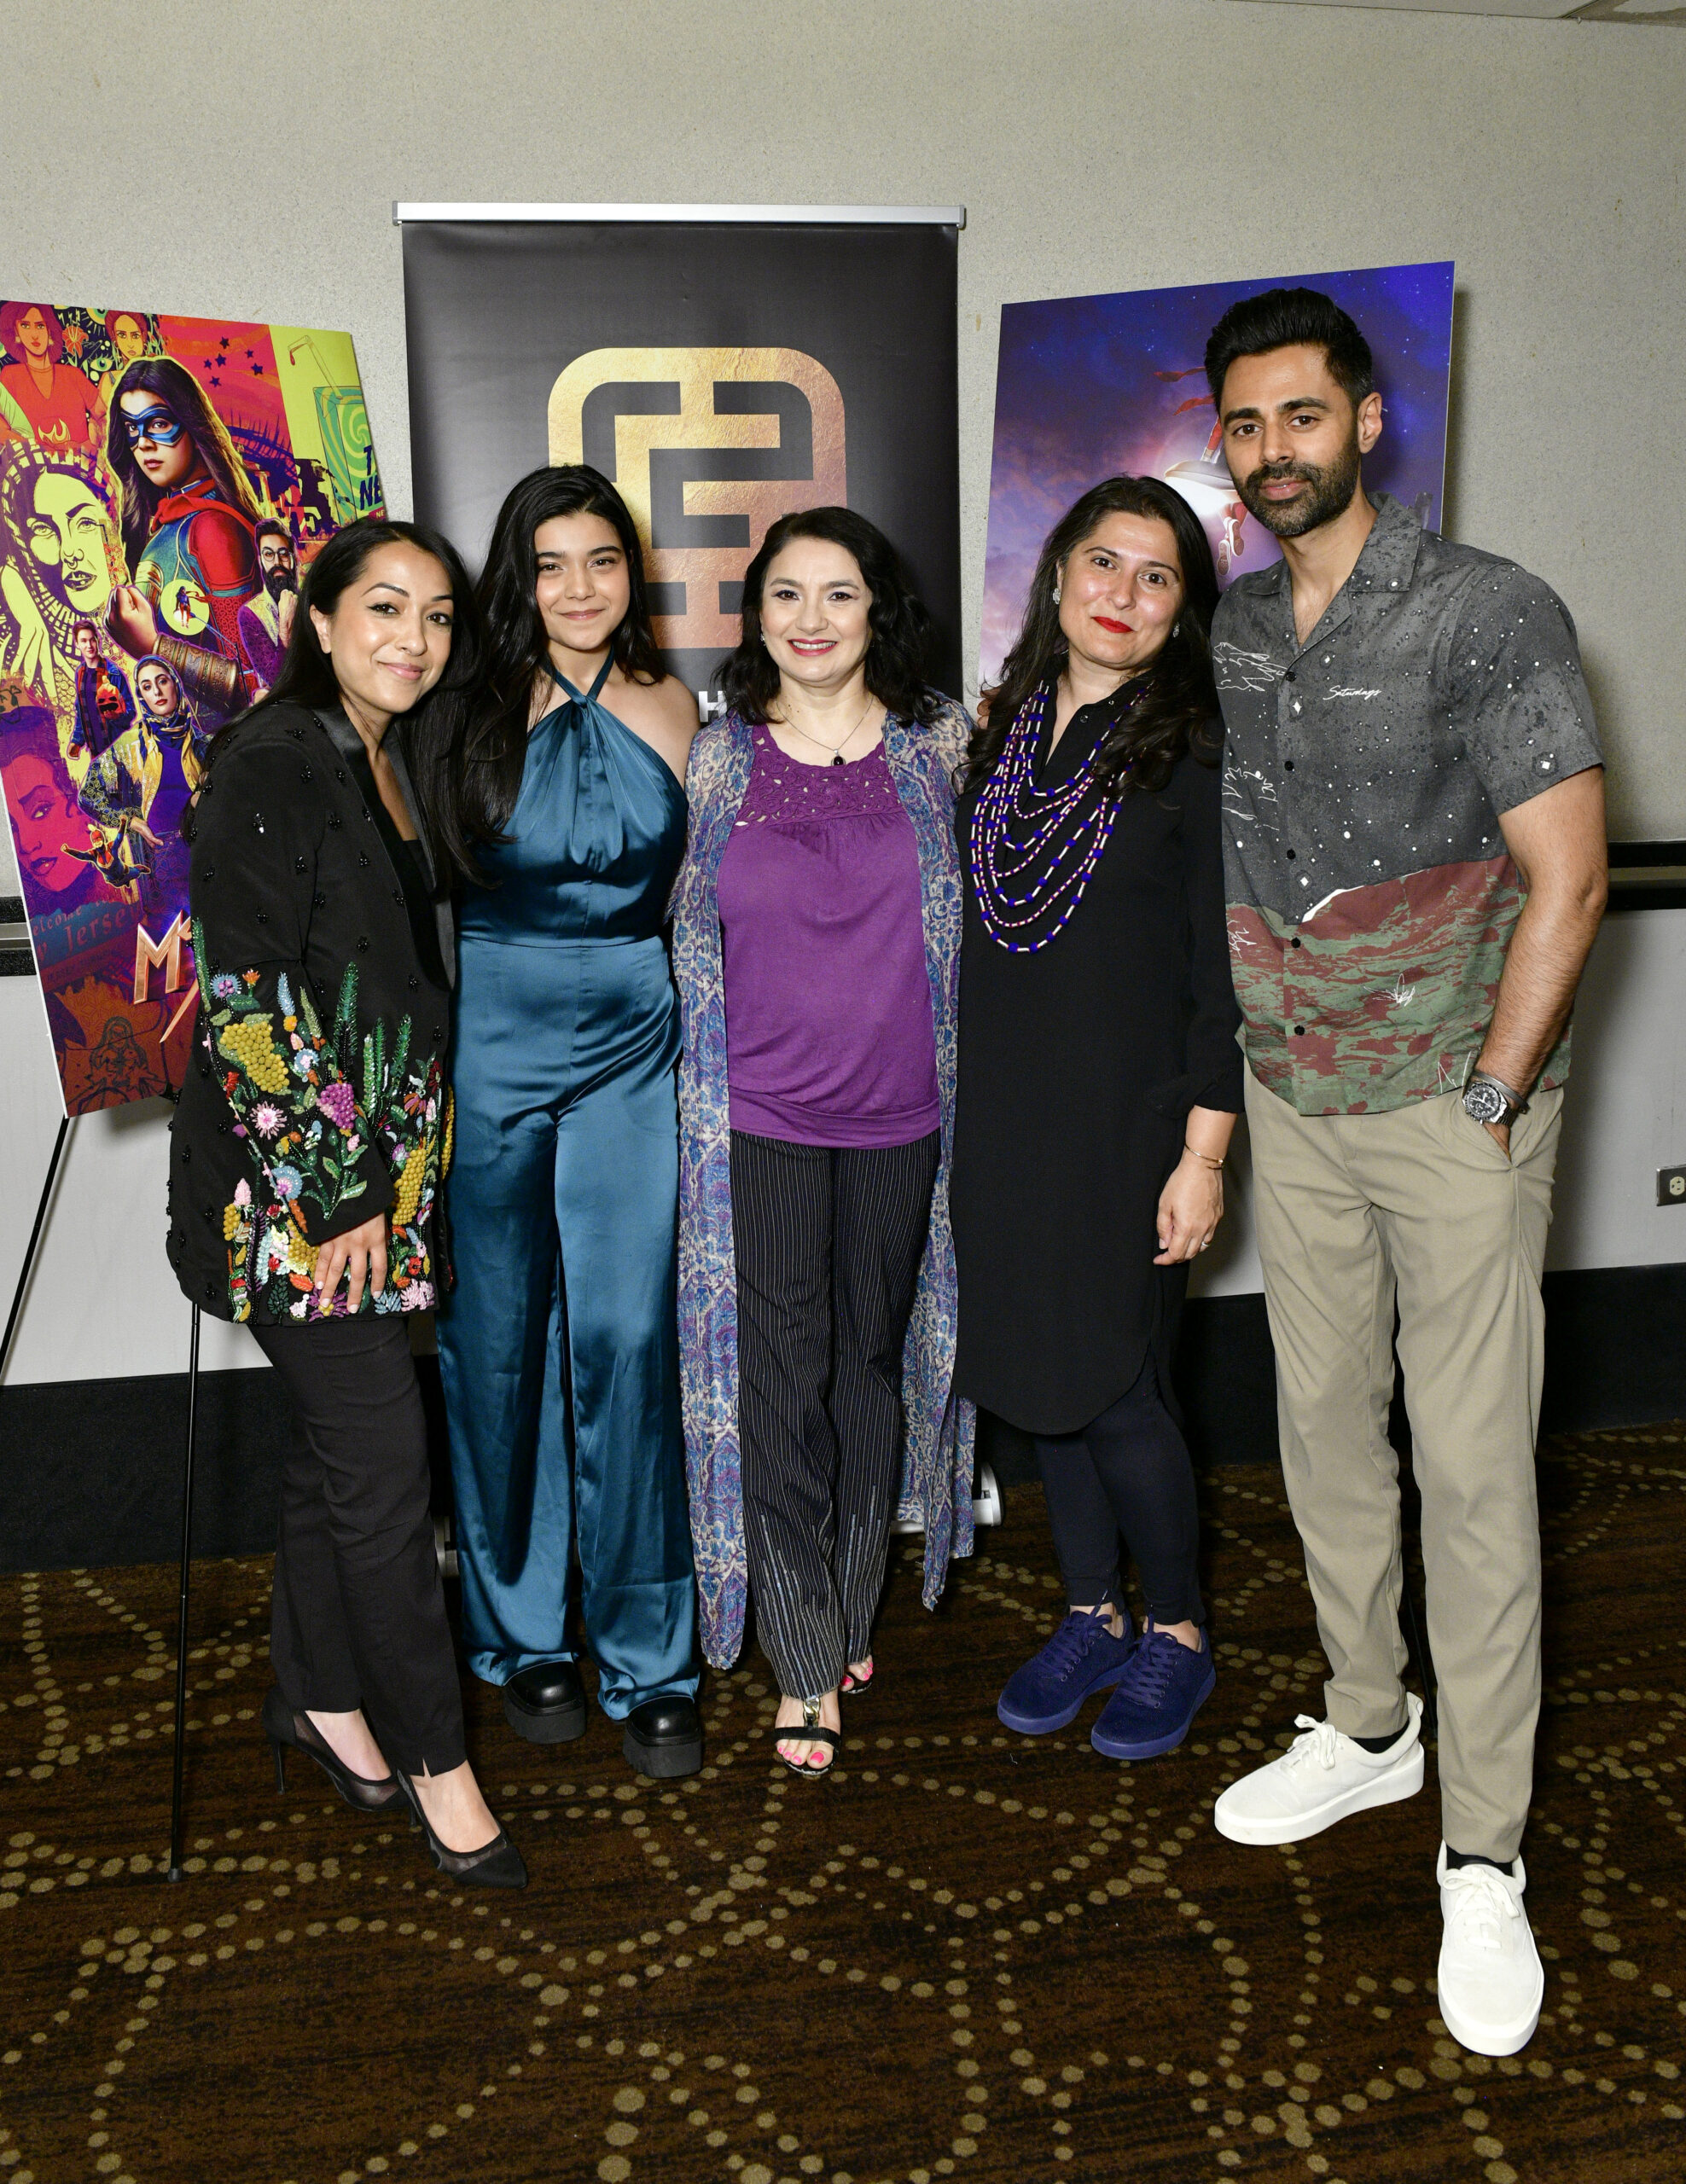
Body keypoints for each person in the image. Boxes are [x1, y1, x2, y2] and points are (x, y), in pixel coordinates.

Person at [1201, 288, 1607, 2057]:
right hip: (1293, 1093)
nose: (1272, 450)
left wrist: (1495, 1097)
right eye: (1243, 423)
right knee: (1318, 1426)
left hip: (1453, 1103)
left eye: (1301, 415)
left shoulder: (1487, 609)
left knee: (1472, 1471)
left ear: (1366, 421)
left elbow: (1569, 876)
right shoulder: (1227, 626)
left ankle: (1483, 1848)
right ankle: (1371, 1722)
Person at [164, 514, 526, 1888]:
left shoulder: (386, 754)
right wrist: (341, 1197)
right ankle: (439, 1760)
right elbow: (247, 1001)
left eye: (436, 615)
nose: (413, 639)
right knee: (384, 1473)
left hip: (380, 1191)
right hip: (298, 1204)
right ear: (318, 621)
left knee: (337, 1462)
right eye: (383, 608)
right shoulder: (271, 761)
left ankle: (315, 1696)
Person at [670, 507, 975, 1777]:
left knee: (871, 1372)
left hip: (906, 1119)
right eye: (785, 594)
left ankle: (850, 1602)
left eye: (838, 593)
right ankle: (803, 1653)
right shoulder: (717, 758)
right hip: (763, 1124)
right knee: (781, 1379)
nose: (810, 619)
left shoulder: (941, 748)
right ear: (757, 617)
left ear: (876, 611)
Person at [951, 477, 1241, 1762]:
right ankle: (1093, 1612)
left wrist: (1203, 1156)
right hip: (1001, 1120)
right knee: (1038, 1384)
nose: (1122, 594)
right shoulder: (1002, 730)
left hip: (1131, 1129)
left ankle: (1176, 1628)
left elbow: (1224, 980)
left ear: (1182, 609)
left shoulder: (1197, 754)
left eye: (1156, 576)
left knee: (1121, 1391)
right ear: (1059, 573)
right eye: (1103, 564)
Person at [427, 464, 705, 1780]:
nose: (579, 588)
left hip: (633, 1039)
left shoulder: (676, 704)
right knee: (497, 1340)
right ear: (518, 579)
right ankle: (523, 1633)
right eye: (550, 564)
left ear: (630, 573)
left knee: (629, 1337)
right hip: (489, 1034)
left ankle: (651, 1653)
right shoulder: (462, 705)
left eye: (601, 560)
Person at [102, 356, 262, 724]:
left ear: (190, 422)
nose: (143, 443)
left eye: (158, 423)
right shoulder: (166, 523)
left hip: (231, 741)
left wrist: (152, 645)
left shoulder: (212, 528)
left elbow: (252, 682)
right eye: (131, 428)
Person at [0, 444, 123, 711]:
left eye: (86, 523)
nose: (69, 552)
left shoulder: (157, 609)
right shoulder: (15, 651)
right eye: (43, 529)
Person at [0, 303, 101, 454]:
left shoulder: (73, 375)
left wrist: (90, 446)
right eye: (25, 326)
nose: (34, 335)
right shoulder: (11, 375)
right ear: (16, 332)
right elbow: (2, 432)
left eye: (40, 326)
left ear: (49, 330)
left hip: (81, 465)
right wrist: (41, 449)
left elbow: (105, 416)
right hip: (37, 466)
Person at [239, 517, 299, 693]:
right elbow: (275, 679)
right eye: (269, 555)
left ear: (293, 559)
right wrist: (285, 627)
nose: (277, 563)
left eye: (283, 554)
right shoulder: (251, 614)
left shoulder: (310, 600)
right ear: (260, 562)